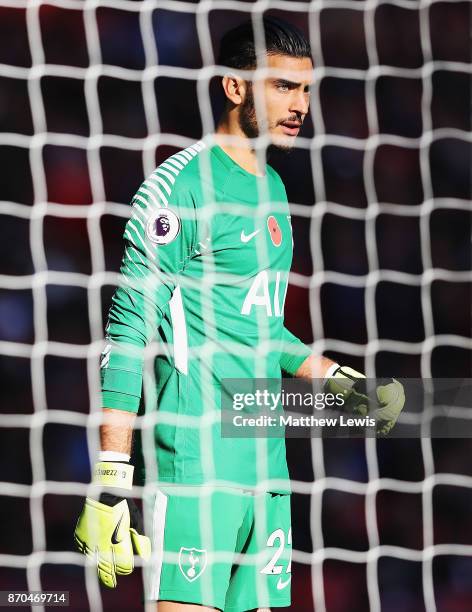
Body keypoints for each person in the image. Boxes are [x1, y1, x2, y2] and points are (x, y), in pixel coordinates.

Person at [75, 17, 405, 612]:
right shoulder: (180, 187)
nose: (300, 105)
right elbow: (127, 331)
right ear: (234, 88)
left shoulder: (274, 189)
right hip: (198, 462)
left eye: (305, 90)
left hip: (267, 460)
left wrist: (330, 378)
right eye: (282, 87)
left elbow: (258, 327)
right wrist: (112, 479)